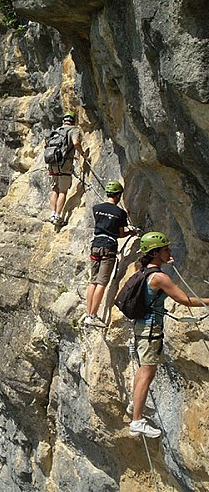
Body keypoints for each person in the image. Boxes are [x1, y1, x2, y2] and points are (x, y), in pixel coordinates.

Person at [128, 231, 209, 438]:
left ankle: (134, 405)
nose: (169, 251)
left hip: (140, 327)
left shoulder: (144, 270)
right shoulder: (160, 278)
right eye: (165, 249)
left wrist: (164, 261)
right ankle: (136, 421)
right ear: (155, 253)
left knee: (143, 369)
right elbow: (185, 300)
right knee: (148, 372)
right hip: (151, 330)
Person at [84, 180, 136, 325]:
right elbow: (120, 234)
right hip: (109, 246)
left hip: (95, 244)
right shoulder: (120, 213)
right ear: (119, 195)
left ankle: (88, 314)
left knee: (93, 281)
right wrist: (131, 232)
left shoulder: (97, 208)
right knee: (102, 282)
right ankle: (92, 315)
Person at [49, 111, 89, 225]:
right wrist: (83, 155)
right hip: (64, 165)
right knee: (63, 191)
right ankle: (57, 216)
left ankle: (52, 214)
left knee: (54, 189)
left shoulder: (57, 131)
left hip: (52, 163)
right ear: (73, 121)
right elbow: (75, 143)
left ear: (63, 121)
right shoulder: (74, 130)